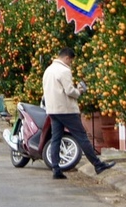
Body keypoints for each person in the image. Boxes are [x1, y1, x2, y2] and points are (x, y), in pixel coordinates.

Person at [43, 47, 116, 179]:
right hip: (66, 110)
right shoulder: (64, 70)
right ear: (67, 58)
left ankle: (56, 168)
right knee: (82, 137)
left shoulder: (48, 70)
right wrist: (79, 91)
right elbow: (69, 91)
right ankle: (97, 164)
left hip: (53, 109)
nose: (70, 63)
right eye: (71, 60)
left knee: (56, 139)